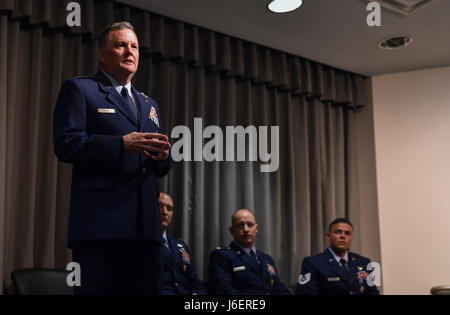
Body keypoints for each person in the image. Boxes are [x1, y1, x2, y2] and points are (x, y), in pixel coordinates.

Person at [53, 21, 173, 294]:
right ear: (102, 53)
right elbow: (66, 144)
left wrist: (163, 156)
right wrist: (120, 144)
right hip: (100, 227)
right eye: (121, 45)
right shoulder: (81, 89)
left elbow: (159, 165)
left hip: (146, 230)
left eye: (135, 47)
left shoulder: (148, 103)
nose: (129, 51)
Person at [207, 209, 290, 295]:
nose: (246, 229)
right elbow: (224, 291)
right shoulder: (222, 256)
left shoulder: (266, 258)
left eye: (250, 225)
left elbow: (279, 288)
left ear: (256, 229)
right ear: (231, 230)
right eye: (240, 225)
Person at [296, 218, 380, 295]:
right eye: (338, 232)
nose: (343, 236)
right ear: (328, 236)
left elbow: (373, 293)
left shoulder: (364, 262)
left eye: (347, 233)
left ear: (352, 238)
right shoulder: (313, 263)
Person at [159, 192, 207, 295]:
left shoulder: (180, 246)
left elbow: (195, 281)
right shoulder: (143, 243)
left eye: (169, 208)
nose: (165, 212)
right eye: (160, 206)